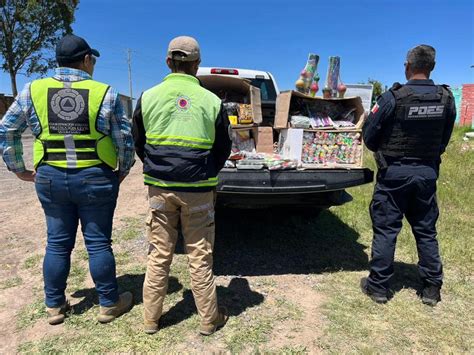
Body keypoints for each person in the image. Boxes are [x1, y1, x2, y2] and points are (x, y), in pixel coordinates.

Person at [0, 34, 135, 324]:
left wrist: (18, 169)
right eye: (93, 60)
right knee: (98, 243)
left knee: (57, 243)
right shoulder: (106, 93)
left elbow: (6, 130)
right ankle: (108, 303)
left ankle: (54, 306)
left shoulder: (31, 90)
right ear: (86, 60)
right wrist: (123, 169)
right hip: (95, 176)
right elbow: (123, 137)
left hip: (49, 177)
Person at [132, 36, 232, 335]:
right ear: (197, 65)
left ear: (168, 62)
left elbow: (139, 141)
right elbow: (223, 147)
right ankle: (208, 319)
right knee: (199, 253)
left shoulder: (148, 96)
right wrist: (206, 171)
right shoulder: (212, 102)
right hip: (199, 190)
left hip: (160, 188)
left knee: (159, 253)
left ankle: (151, 319)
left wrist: (156, 167)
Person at [361, 44, 456, 306]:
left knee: (386, 230)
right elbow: (444, 140)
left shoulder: (393, 98)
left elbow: (370, 138)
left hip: (394, 175)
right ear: (432, 67)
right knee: (426, 231)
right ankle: (431, 289)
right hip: (426, 174)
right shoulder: (447, 98)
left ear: (407, 66)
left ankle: (378, 287)